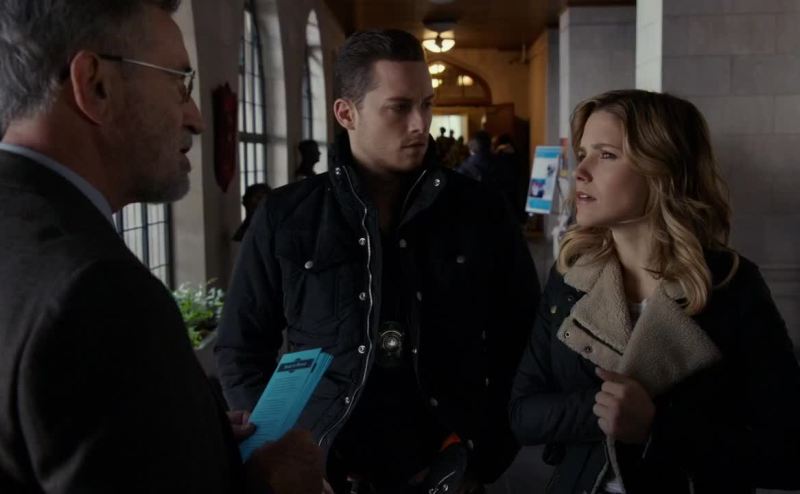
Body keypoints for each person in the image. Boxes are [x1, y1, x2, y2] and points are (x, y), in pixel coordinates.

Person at [0, 1, 323, 492]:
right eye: (179, 83)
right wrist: (272, 484)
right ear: (96, 85)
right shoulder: (98, 292)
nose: (196, 118)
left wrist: (199, 435)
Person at [215, 29, 540, 494]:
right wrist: (276, 453)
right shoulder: (286, 217)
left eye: (426, 104)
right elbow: (240, 347)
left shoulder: (481, 211)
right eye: (399, 107)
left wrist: (483, 456)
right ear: (346, 113)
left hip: (450, 466)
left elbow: (523, 339)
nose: (420, 124)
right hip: (324, 471)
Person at [509, 89, 800, 494]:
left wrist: (655, 426)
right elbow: (523, 413)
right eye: (583, 153)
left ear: (661, 170)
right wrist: (604, 409)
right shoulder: (570, 277)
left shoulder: (730, 286)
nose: (580, 171)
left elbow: (788, 453)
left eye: (606, 155)